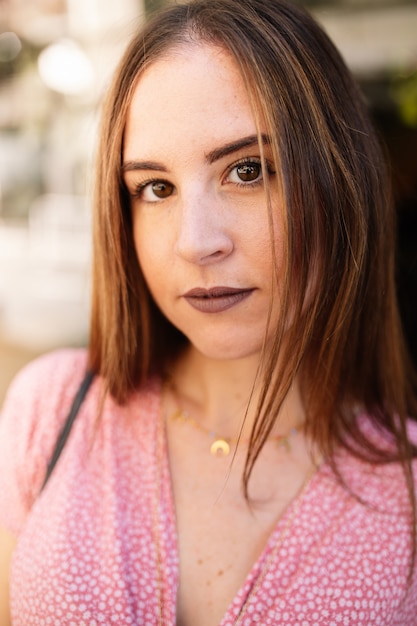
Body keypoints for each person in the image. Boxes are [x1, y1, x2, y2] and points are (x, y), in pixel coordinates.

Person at [1, 0, 416, 624]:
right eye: (156, 188)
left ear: (340, 181)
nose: (195, 241)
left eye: (247, 171)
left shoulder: (407, 497)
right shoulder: (53, 409)